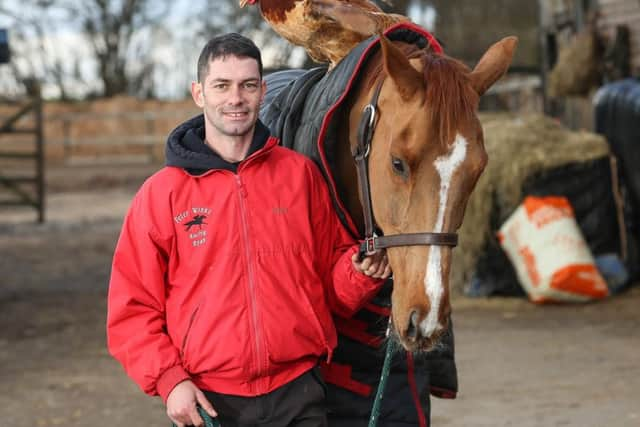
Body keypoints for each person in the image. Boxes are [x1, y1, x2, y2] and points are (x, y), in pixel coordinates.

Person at [106, 32, 391, 427]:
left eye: (248, 85)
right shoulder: (161, 195)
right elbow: (131, 311)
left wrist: (359, 272)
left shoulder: (300, 176)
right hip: (209, 401)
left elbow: (329, 287)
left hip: (299, 391)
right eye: (221, 85)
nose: (235, 98)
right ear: (199, 93)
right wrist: (170, 382)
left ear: (261, 92)